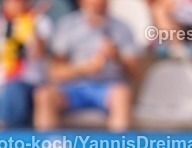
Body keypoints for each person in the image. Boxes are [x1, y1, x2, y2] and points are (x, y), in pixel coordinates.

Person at [33, 0, 140, 131]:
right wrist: (84, 69)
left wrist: (117, 56)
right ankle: (49, 142)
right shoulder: (67, 25)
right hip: (72, 87)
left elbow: (135, 72)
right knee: (44, 96)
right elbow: (54, 72)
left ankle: (118, 143)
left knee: (122, 95)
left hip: (108, 87)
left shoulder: (122, 28)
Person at [0, 0, 51, 127]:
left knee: (13, 89)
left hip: (29, 79)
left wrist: (30, 23)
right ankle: (4, 128)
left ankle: (6, 129)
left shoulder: (39, 20)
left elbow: (38, 53)